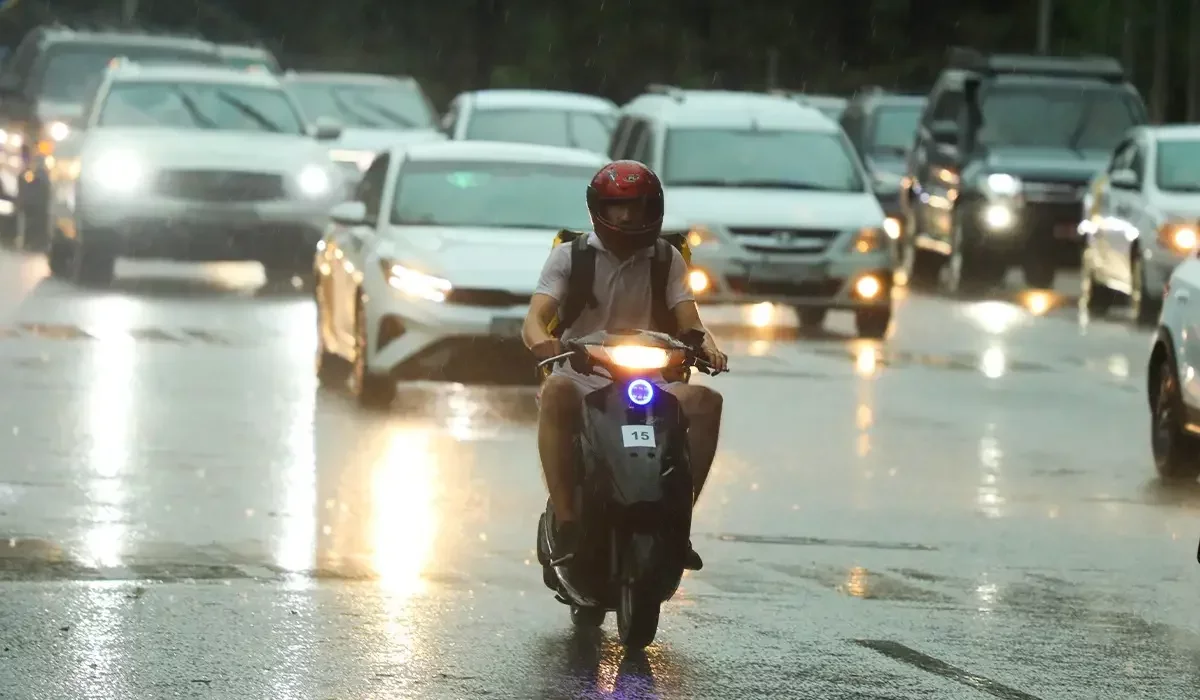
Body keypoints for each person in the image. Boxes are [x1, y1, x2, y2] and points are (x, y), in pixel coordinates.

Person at [521, 159, 728, 570]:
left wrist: (710, 349)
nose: (630, 216)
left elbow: (692, 323)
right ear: (600, 209)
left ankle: (678, 525)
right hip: (582, 372)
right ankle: (565, 519)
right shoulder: (569, 257)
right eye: (619, 207)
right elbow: (534, 318)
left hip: (650, 374)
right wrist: (543, 344)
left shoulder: (668, 260)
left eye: (640, 206)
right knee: (556, 392)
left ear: (656, 210)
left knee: (707, 402)